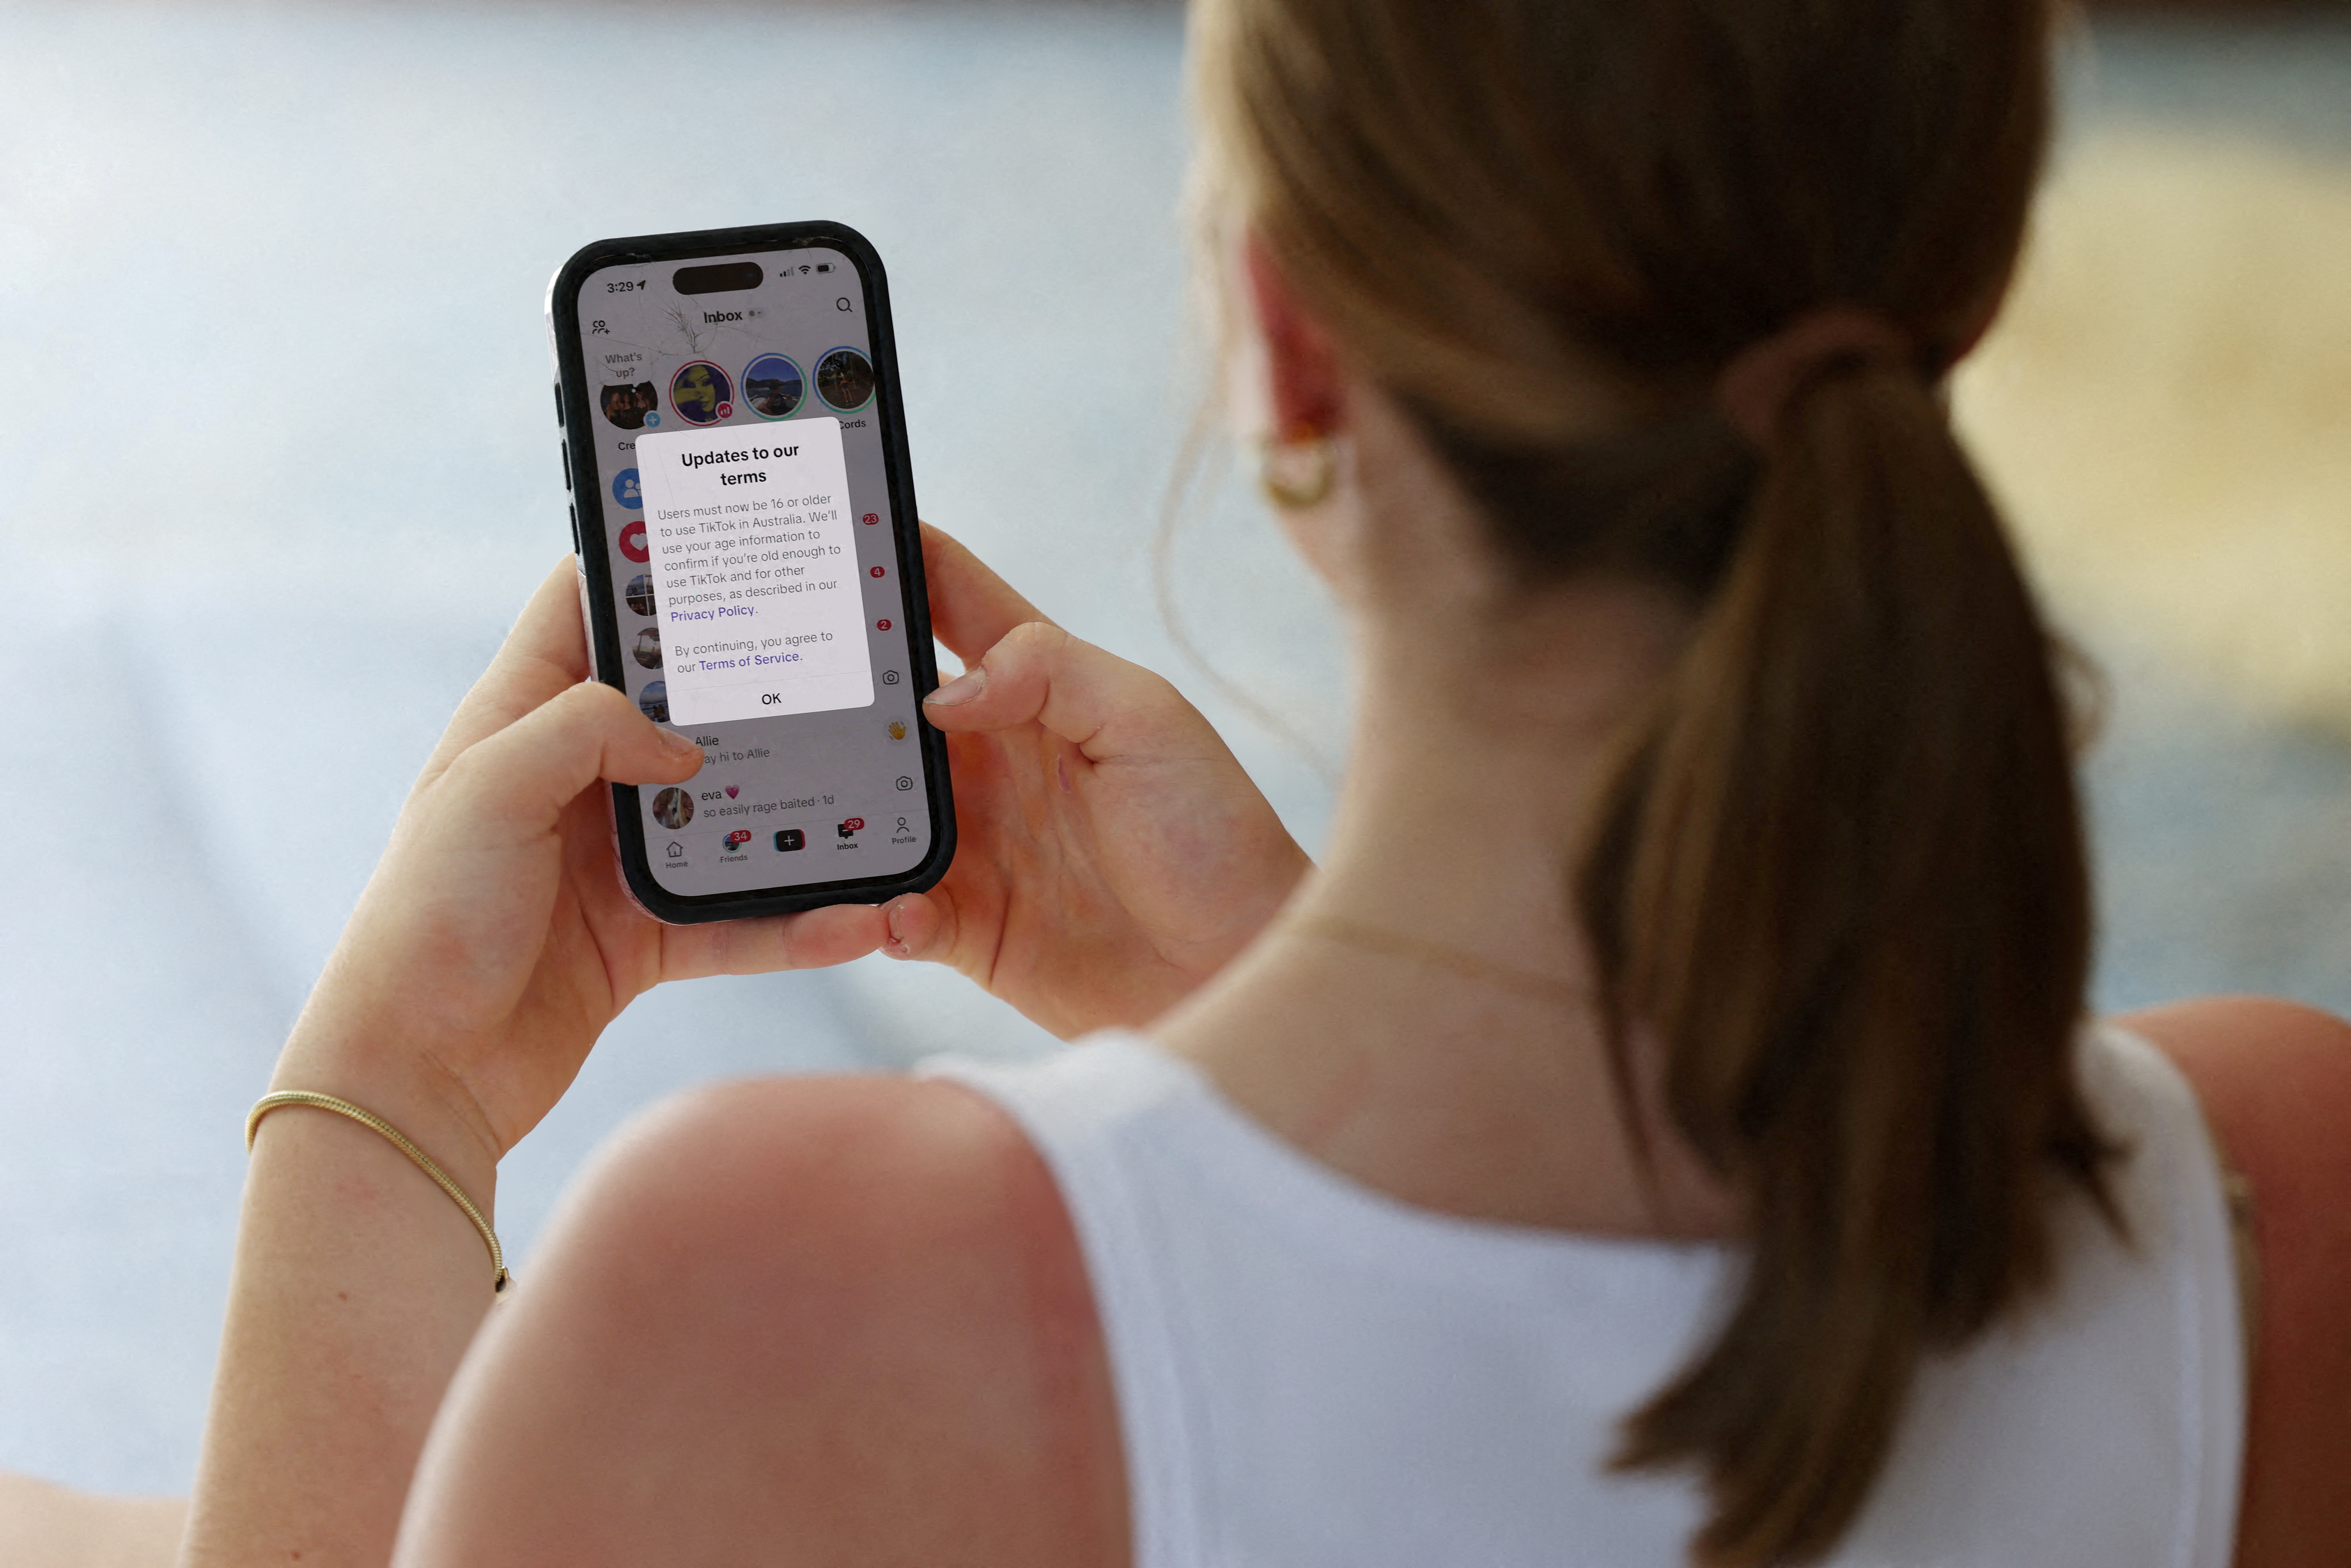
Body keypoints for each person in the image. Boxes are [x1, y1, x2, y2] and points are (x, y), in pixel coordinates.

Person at [179, 1, 2351, 1565]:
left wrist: (399, 1093)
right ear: (1969, 288)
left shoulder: (767, 1311)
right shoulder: (2286, 1183)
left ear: (1283, 336)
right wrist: (1245, 987)